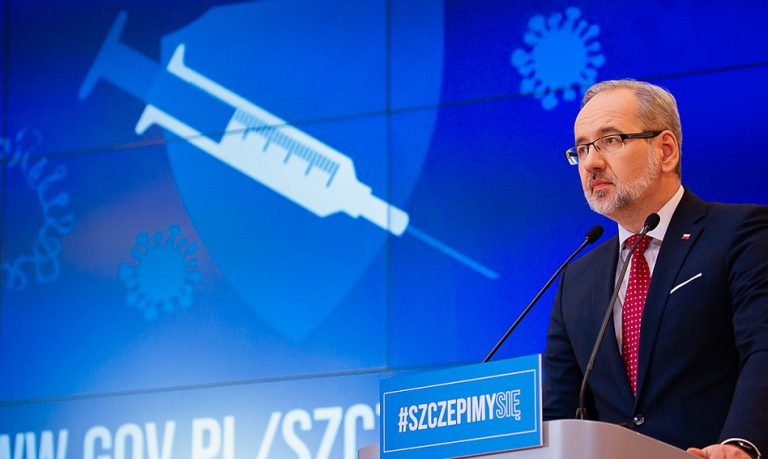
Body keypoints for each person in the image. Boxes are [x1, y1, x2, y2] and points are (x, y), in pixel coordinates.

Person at [543, 79, 768, 459]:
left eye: (610, 140)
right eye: (581, 149)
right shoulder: (577, 280)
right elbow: (559, 409)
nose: (591, 162)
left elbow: (763, 348)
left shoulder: (741, 234)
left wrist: (741, 442)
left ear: (665, 151)